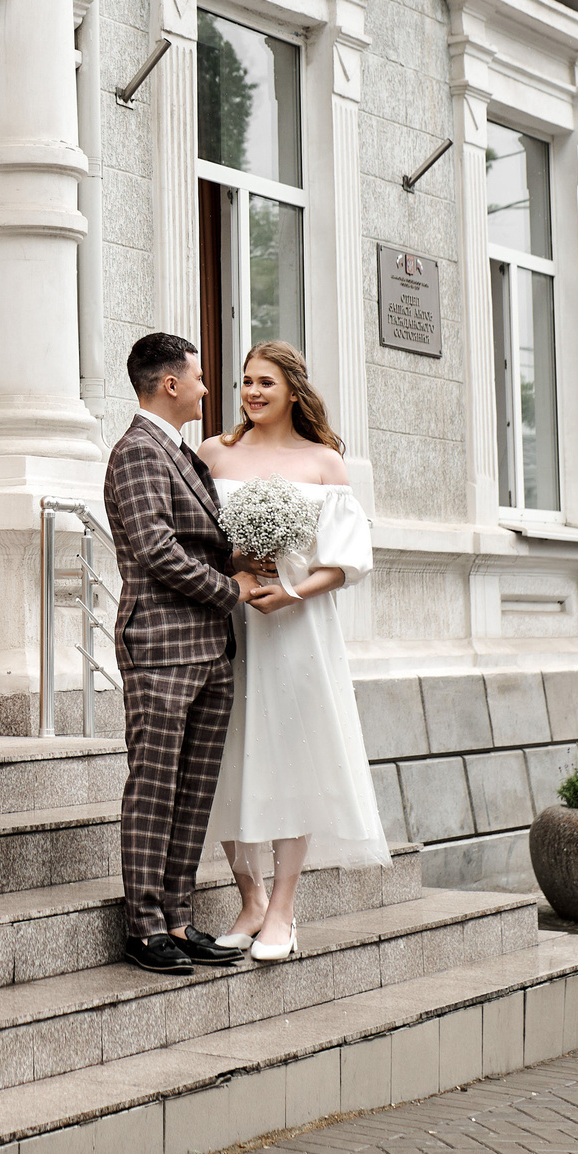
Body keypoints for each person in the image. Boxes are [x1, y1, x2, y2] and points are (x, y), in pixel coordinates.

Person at [101, 332, 295, 976]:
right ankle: (144, 927)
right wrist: (229, 587)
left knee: (194, 788)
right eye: (201, 377)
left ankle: (178, 919)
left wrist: (241, 558)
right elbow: (156, 551)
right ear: (170, 385)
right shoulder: (136, 452)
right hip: (161, 642)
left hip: (209, 645)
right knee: (155, 787)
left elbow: (199, 540)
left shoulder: (180, 453)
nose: (211, 389)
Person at [198, 340, 390, 962]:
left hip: (296, 626)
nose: (252, 393)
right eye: (245, 382)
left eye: (265, 383)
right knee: (221, 754)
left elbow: (348, 561)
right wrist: (236, 565)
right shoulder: (212, 455)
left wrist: (291, 590)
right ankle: (249, 896)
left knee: (292, 756)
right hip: (228, 622)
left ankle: (283, 909)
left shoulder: (325, 463)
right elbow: (193, 541)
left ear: (293, 391)